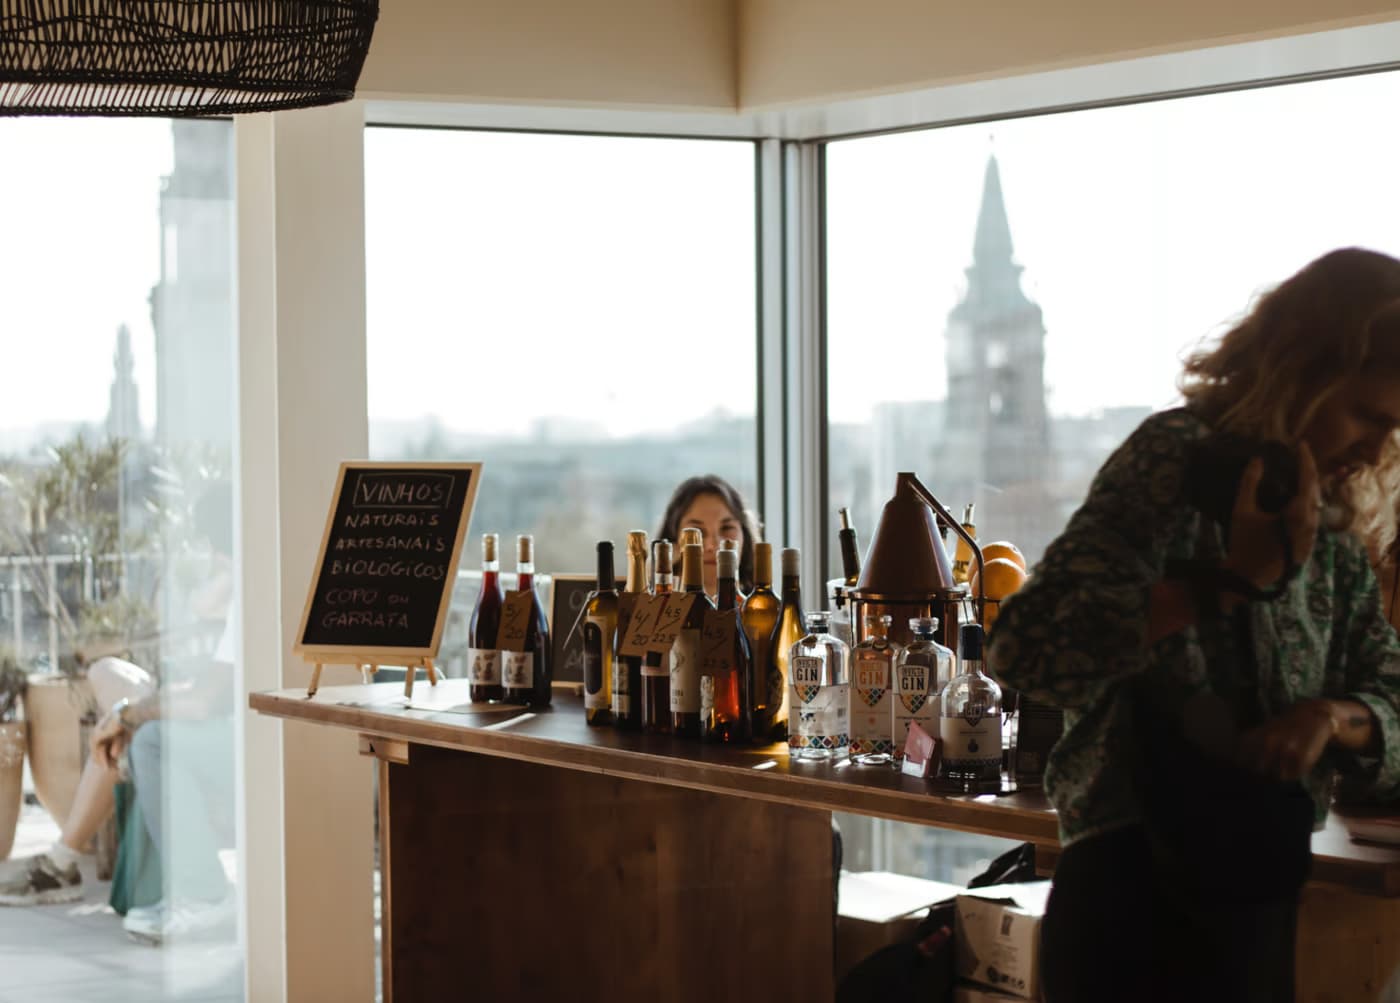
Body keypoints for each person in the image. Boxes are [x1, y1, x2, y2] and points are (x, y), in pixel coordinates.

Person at [988, 248, 1400, 1002]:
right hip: (1129, 895)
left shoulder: (1333, 523)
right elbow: (1027, 645)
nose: (1377, 448)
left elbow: (1392, 691)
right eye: (1367, 417)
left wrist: (1330, 719)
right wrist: (1226, 585)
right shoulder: (1173, 459)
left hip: (1257, 894)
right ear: (1303, 369)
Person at [0, 482, 237, 946]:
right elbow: (204, 611)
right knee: (112, 681)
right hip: (214, 710)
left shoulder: (259, 593)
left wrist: (129, 716)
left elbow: (208, 701)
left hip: (233, 730)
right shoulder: (247, 589)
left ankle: (66, 861)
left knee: (143, 738)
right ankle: (63, 860)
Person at [655, 475, 760, 595]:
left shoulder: (767, 610)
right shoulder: (649, 610)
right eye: (697, 531)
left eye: (727, 528)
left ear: (745, 537)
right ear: (673, 540)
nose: (712, 545)